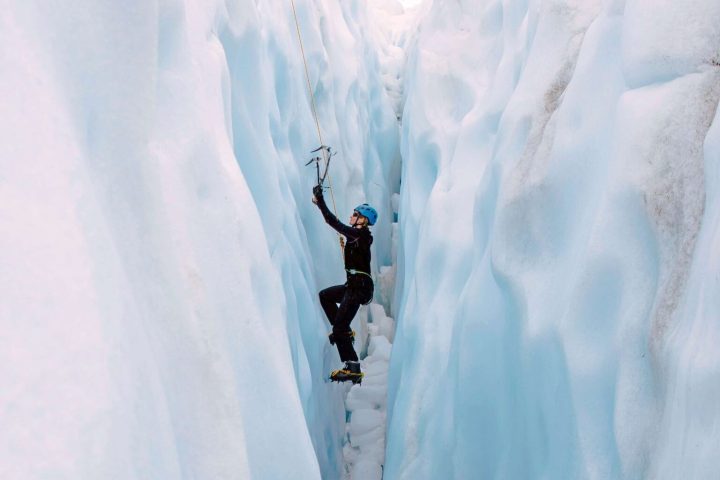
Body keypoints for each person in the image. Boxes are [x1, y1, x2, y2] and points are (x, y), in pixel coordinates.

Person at [312, 184, 377, 384]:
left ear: (363, 220)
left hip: (360, 287)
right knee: (325, 296)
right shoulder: (356, 237)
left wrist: (320, 202)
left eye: (355, 214)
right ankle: (345, 332)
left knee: (338, 327)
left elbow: (334, 223)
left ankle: (353, 366)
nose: (351, 217)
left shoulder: (361, 234)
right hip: (353, 285)